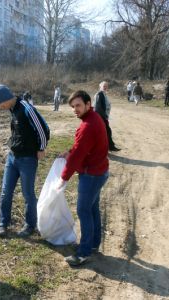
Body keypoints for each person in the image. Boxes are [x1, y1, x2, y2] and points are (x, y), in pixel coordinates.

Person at [57, 90, 109, 266]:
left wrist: (63, 178)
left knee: (83, 210)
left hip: (92, 175)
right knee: (92, 209)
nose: (75, 109)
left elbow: (78, 155)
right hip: (99, 172)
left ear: (88, 104)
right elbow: (82, 147)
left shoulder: (88, 125)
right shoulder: (93, 118)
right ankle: (93, 244)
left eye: (78, 105)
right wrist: (69, 152)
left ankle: (84, 252)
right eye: (73, 107)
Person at [0, 84, 50, 238]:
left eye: (0, 103)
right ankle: (3, 224)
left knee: (28, 194)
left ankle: (30, 225)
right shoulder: (12, 109)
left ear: (6, 98)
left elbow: (43, 128)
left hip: (27, 159)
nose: (0, 107)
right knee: (5, 192)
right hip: (12, 157)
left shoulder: (26, 108)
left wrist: (41, 148)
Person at [93, 81, 120, 151]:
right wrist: (103, 116)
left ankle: (109, 147)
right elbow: (98, 107)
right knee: (106, 132)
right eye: (104, 86)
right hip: (100, 117)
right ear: (100, 87)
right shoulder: (99, 94)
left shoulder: (103, 94)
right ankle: (108, 147)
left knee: (106, 131)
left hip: (103, 116)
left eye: (106, 86)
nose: (105, 87)